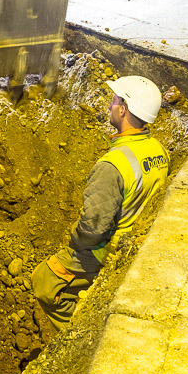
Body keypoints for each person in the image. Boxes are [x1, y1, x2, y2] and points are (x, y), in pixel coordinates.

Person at [31, 75, 169, 328]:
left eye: (114, 100)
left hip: (109, 249)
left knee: (44, 283)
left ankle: (84, 333)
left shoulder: (112, 166)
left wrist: (75, 242)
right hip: (140, 238)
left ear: (123, 109)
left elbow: (93, 229)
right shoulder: (159, 150)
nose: (109, 105)